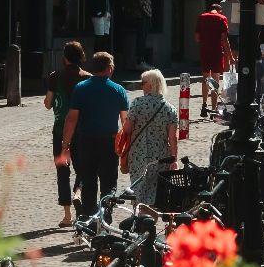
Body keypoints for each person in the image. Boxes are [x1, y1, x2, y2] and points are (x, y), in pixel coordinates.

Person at [59, 52, 129, 218]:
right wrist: (126, 148)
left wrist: (65, 144)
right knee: (109, 182)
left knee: (88, 181)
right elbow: (125, 122)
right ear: (109, 68)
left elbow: (71, 119)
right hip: (109, 142)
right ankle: (106, 217)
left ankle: (90, 217)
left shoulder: (81, 88)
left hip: (86, 141)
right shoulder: (118, 90)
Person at [43, 41, 87, 227]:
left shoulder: (55, 76)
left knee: (62, 170)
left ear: (65, 58)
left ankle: (67, 215)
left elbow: (47, 103)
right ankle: (79, 195)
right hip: (83, 131)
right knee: (83, 169)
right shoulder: (87, 78)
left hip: (60, 130)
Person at [119, 70, 179, 206]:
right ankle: (150, 217)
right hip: (161, 156)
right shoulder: (170, 109)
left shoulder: (137, 103)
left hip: (138, 154)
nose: (141, 86)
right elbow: (172, 138)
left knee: (138, 188)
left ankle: (139, 218)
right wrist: (174, 158)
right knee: (155, 190)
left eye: (143, 83)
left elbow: (127, 129)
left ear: (151, 84)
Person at [195, 2, 232, 119]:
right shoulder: (222, 18)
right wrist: (230, 56)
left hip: (204, 51)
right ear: (219, 10)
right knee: (215, 78)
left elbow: (197, 37)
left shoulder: (201, 17)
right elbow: (224, 39)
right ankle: (214, 108)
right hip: (217, 51)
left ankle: (204, 104)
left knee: (206, 77)